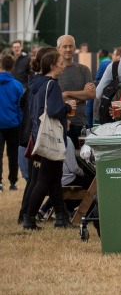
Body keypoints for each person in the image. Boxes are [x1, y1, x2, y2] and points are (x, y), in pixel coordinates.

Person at [23, 49, 71, 230]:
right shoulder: (52, 85)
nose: (63, 67)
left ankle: (61, 218)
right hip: (50, 137)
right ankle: (29, 218)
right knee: (44, 180)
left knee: (54, 178)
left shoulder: (37, 83)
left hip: (38, 134)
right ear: (52, 66)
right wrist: (66, 107)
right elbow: (54, 111)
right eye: (60, 63)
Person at [56, 35, 94, 146]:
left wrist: (67, 94)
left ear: (74, 48)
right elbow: (56, 97)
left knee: (81, 158)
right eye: (64, 46)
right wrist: (82, 94)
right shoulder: (54, 71)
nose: (68, 49)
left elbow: (91, 94)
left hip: (80, 122)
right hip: (59, 123)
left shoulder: (84, 70)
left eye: (70, 46)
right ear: (58, 49)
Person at [0, 53, 24, 191]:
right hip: (13, 124)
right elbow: (20, 107)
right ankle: (13, 182)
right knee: (13, 154)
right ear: (13, 66)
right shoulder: (17, 85)